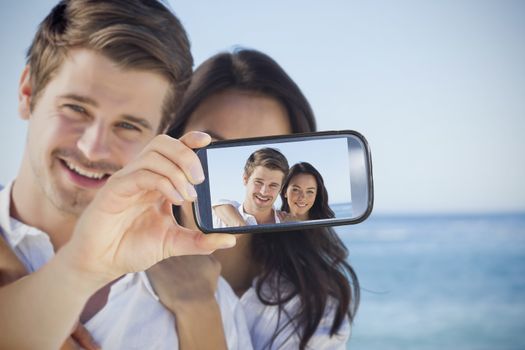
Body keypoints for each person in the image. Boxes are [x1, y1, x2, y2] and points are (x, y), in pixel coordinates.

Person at [0, 1, 246, 349]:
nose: (93, 148)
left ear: (160, 133)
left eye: (128, 125)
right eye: (76, 108)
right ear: (28, 93)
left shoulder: (213, 304)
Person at [162, 48, 360, 349]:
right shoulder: (117, 265)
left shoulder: (315, 304)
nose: (263, 190)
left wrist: (197, 305)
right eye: (211, 147)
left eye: (268, 148)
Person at [212, 148, 289, 228]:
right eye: (258, 182)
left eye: (273, 185)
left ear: (281, 188)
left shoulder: (289, 224)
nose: (263, 192)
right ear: (245, 179)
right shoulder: (218, 220)